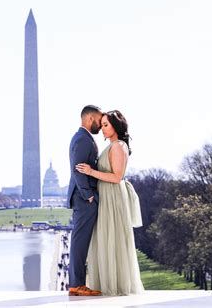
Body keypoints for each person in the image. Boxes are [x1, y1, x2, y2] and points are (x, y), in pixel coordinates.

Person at [76, 110, 144, 296]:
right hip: (106, 195)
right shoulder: (113, 146)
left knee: (113, 239)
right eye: (102, 124)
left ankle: (116, 285)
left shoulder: (118, 146)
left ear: (116, 126)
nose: (102, 128)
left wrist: (90, 172)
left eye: (106, 125)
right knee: (107, 239)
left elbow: (116, 177)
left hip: (113, 196)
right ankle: (107, 283)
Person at [66, 105, 103, 296]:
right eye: (98, 120)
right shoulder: (82, 139)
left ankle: (76, 283)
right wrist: (88, 195)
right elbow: (78, 169)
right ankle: (76, 284)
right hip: (83, 198)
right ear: (89, 119)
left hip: (83, 197)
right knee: (80, 242)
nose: (100, 125)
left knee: (81, 240)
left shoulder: (83, 138)